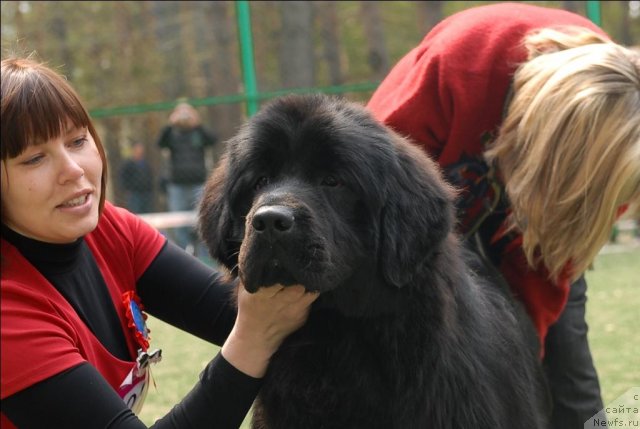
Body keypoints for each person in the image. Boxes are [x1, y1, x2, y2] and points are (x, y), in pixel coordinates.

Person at [0, 56, 319, 428]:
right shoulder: (8, 316)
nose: (73, 169)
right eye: (34, 158)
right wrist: (250, 342)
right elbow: (252, 327)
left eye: (77, 140)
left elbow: (232, 312)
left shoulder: (109, 230)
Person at [367, 3, 639, 428]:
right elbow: (367, 195)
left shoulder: (622, 144)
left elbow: (550, 270)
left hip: (532, 224)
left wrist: (525, 363)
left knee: (566, 374)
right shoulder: (459, 65)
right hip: (416, 233)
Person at [156, 101, 217, 254]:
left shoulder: (198, 132)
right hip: (177, 185)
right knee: (179, 222)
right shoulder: (171, 134)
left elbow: (212, 140)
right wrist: (170, 124)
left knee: (203, 218)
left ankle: (205, 254)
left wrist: (197, 123)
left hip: (198, 182)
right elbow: (160, 143)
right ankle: (185, 252)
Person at [119, 142, 154, 214]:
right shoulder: (128, 164)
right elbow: (123, 177)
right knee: (136, 212)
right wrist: (127, 189)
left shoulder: (145, 164)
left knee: (147, 212)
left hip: (146, 193)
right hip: (134, 193)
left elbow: (150, 177)